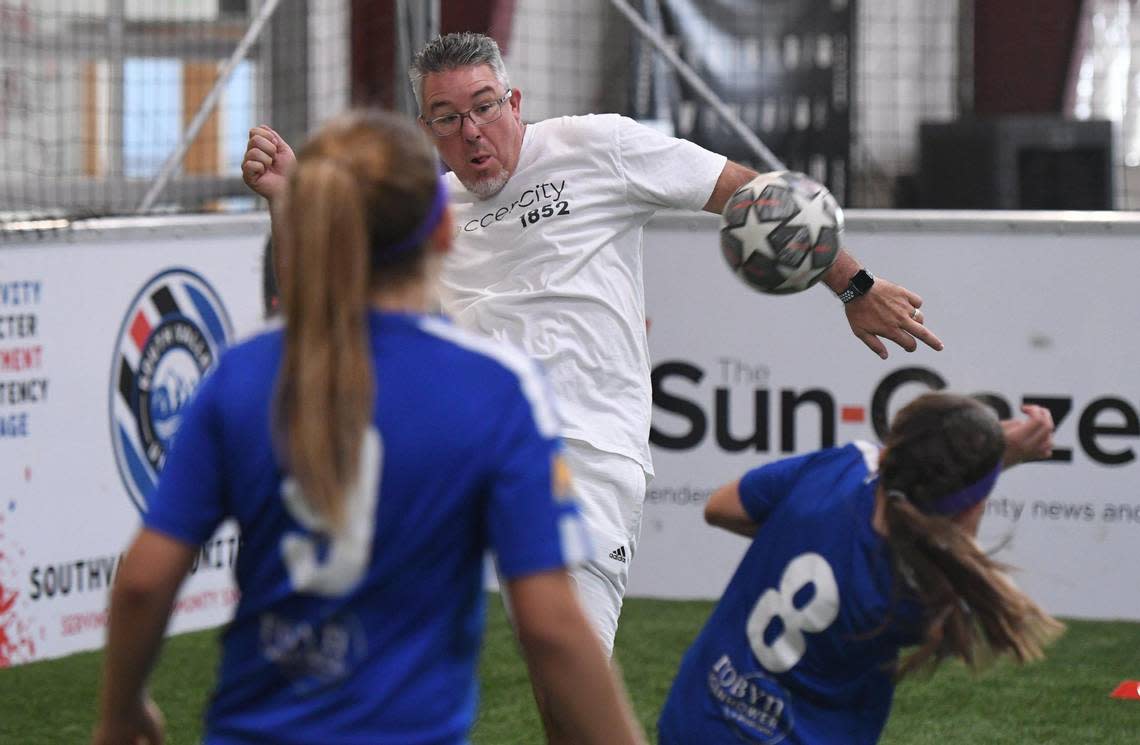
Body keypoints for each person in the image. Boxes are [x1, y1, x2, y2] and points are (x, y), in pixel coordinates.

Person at [242, 32, 944, 658]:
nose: (473, 131)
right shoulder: (425, 210)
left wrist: (854, 285)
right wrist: (285, 201)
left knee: (569, 670)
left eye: (485, 106)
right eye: (449, 119)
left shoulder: (596, 146)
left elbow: (745, 192)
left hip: (581, 459)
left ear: (515, 101)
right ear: (427, 129)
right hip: (457, 457)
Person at [92, 110, 646, 745]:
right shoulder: (495, 389)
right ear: (444, 230)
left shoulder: (243, 377)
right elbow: (552, 629)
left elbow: (141, 583)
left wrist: (120, 713)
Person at [657, 393, 1064, 744]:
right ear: (970, 506)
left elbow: (721, 508)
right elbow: (951, 545)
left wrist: (800, 533)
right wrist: (995, 465)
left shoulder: (841, 468)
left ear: (890, 449)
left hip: (696, 719)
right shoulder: (925, 591)